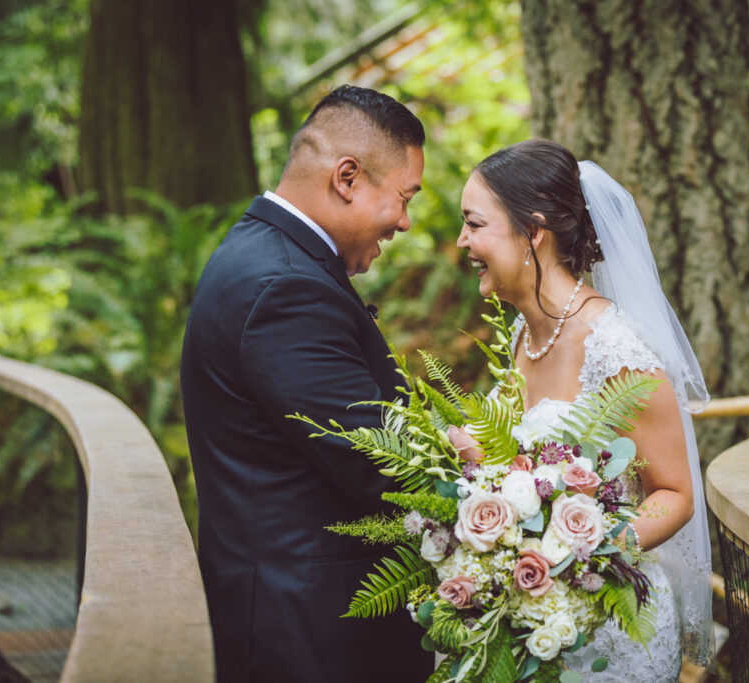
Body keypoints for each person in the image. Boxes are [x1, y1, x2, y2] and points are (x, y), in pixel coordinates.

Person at [180, 85, 433, 682]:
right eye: (403, 197)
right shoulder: (286, 288)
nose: (404, 220)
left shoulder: (262, 253)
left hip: (289, 603)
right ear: (348, 177)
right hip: (308, 628)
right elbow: (381, 463)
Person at [453, 140, 715, 680]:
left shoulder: (617, 348)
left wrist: (575, 552)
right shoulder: (524, 335)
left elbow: (677, 496)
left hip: (613, 631)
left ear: (533, 232)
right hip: (537, 624)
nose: (463, 242)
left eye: (474, 224)